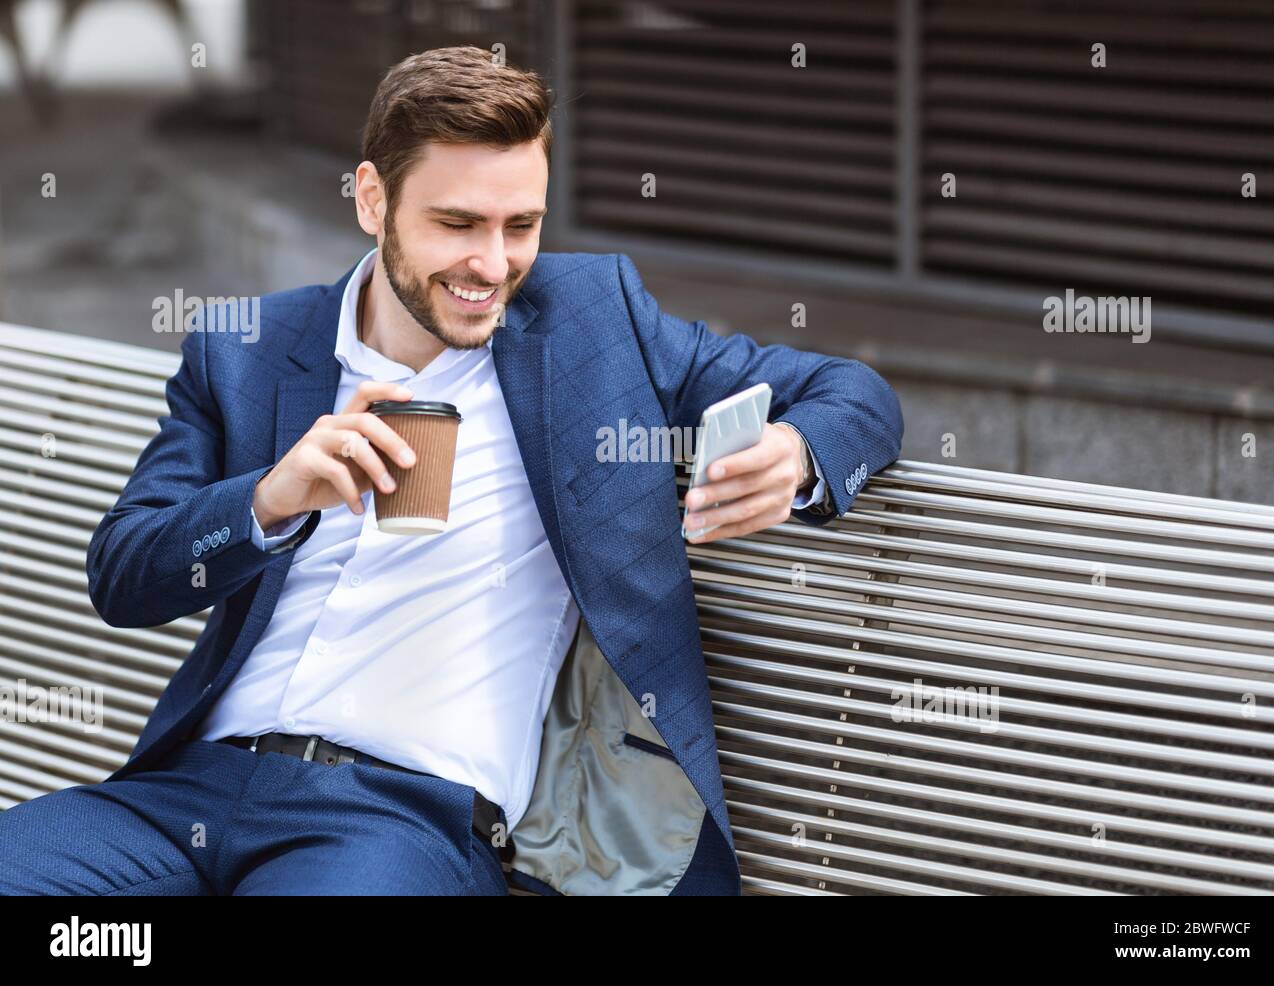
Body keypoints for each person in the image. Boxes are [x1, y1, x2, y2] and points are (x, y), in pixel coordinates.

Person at [0, 46, 903, 895]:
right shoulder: (251, 348)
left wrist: (798, 455)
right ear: (370, 199)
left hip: (398, 819)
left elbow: (852, 391)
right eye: (457, 223)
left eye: (522, 225)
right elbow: (124, 573)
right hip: (185, 797)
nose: (492, 263)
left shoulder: (598, 326)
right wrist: (274, 497)